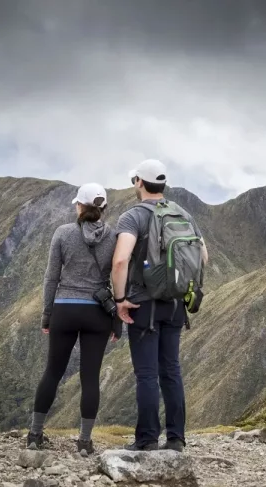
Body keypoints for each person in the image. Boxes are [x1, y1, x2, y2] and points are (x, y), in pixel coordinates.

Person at [111, 159, 208, 452]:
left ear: (139, 182)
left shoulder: (133, 217)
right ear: (163, 185)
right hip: (176, 305)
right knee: (172, 371)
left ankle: (147, 440)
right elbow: (203, 257)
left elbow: (119, 260)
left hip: (143, 305)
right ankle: (176, 439)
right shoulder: (183, 213)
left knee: (147, 375)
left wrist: (119, 300)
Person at [28, 182, 121, 456]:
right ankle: (84, 442)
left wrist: (47, 314)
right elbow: (118, 279)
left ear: (80, 206)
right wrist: (117, 320)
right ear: (103, 209)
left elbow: (51, 277)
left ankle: (34, 435)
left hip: (65, 309)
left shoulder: (63, 233)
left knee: (53, 372)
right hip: (97, 313)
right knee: (90, 377)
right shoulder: (114, 237)